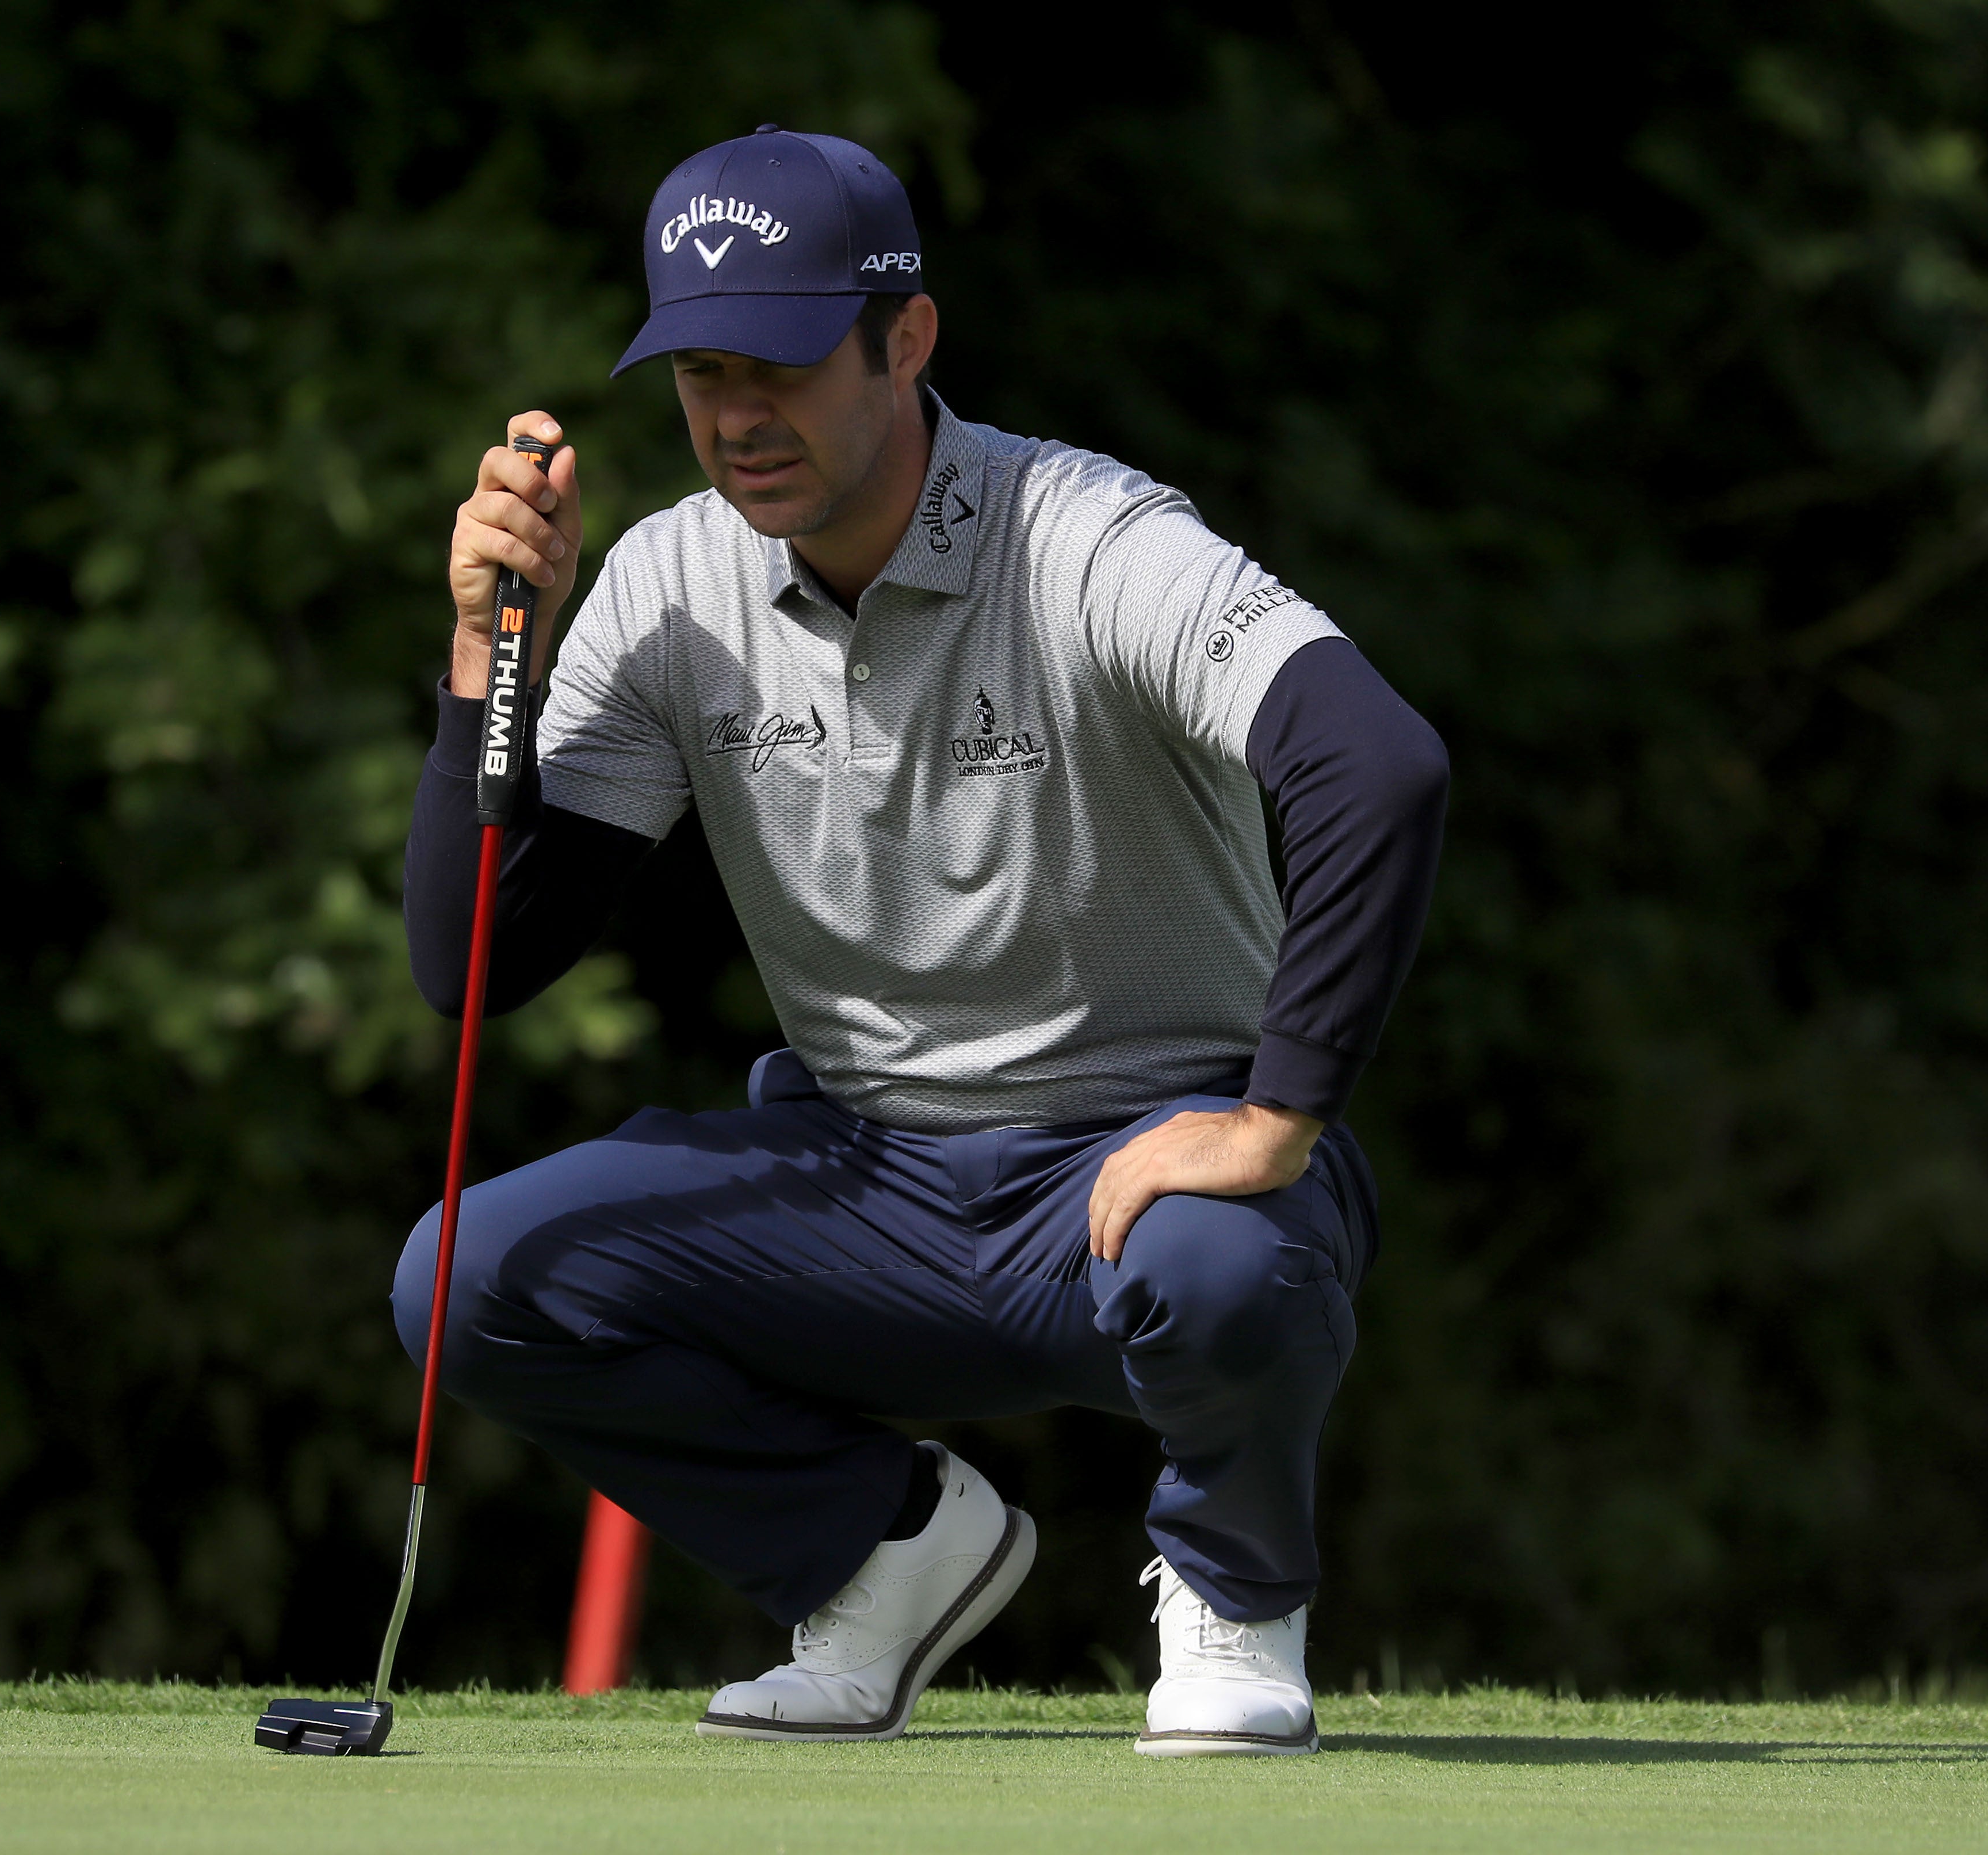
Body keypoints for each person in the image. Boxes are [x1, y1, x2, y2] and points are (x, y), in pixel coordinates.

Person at [400, 125, 1447, 1755]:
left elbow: (1374, 760)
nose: (740, 419)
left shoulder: (1086, 537)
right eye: (701, 373)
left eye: (786, 364)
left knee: (1223, 1261)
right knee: (473, 1277)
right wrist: (485, 664)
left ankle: (1238, 1604)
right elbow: (479, 969)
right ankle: (881, 1560)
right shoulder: (675, 583)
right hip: (860, 1188)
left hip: (1138, 1183)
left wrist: (1274, 1118)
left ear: (906, 338)